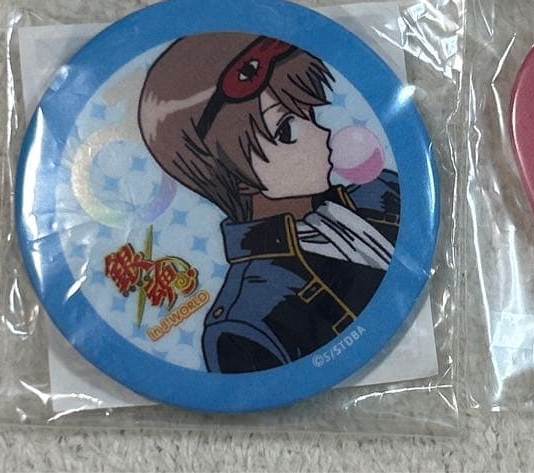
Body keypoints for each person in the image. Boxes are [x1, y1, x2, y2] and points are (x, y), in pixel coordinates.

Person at [138, 33, 400, 373]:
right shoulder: (244, 325)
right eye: (287, 130)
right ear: (234, 177)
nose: (323, 134)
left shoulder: (383, 192)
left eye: (308, 113)